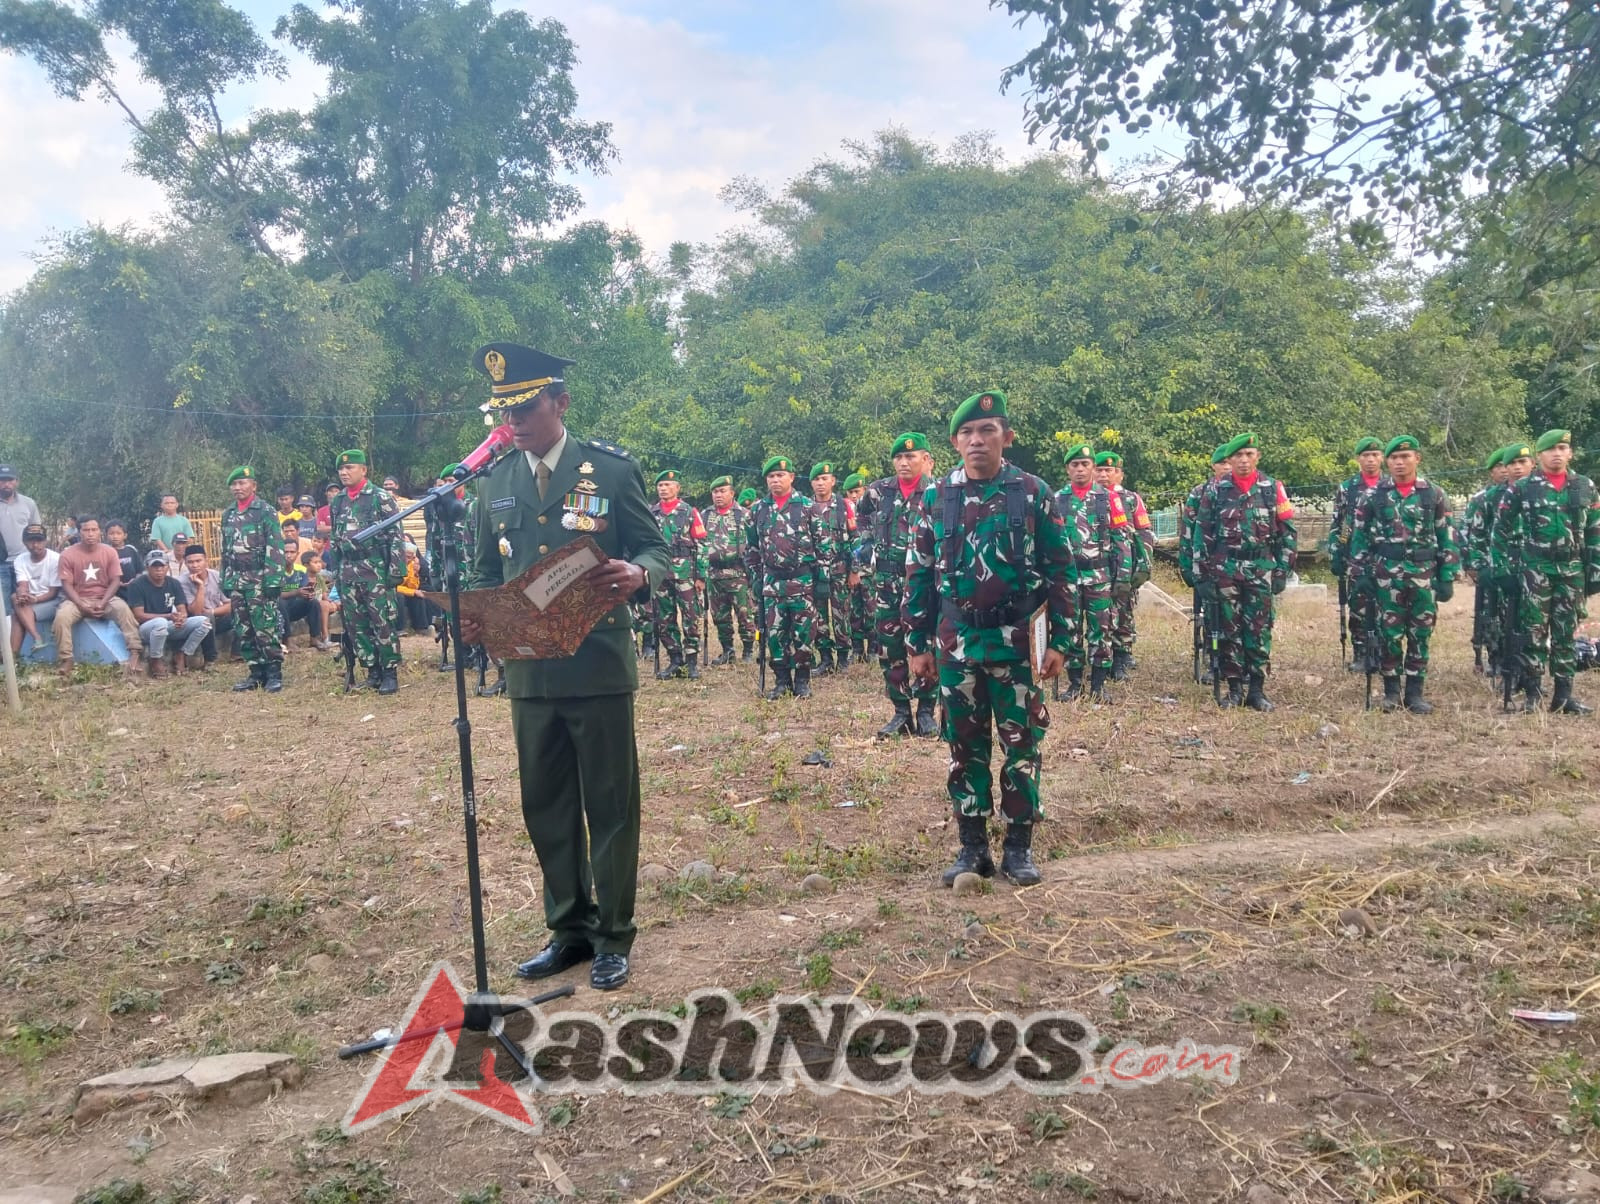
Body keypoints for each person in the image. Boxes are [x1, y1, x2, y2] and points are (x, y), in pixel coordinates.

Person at [459, 341, 670, 992]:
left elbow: (654, 549)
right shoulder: (494, 482)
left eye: (525, 407)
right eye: (505, 411)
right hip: (530, 677)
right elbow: (482, 572)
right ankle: (569, 929)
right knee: (545, 804)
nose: (514, 422)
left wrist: (642, 574)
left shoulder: (608, 471)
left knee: (610, 804)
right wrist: (473, 613)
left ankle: (613, 936)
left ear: (560, 401)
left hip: (599, 664)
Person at [904, 391, 1073, 888]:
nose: (977, 441)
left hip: (1018, 644)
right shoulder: (938, 496)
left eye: (988, 431)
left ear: (1007, 437)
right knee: (964, 747)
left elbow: (1061, 569)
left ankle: (1019, 848)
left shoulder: (1032, 492)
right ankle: (972, 846)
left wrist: (1059, 640)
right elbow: (918, 574)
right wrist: (916, 644)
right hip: (958, 644)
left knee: (1022, 746)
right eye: (967, 434)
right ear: (955, 442)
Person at [1490, 429, 1600, 714]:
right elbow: (1500, 529)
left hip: (1572, 569)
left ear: (1570, 453)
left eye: (1563, 448)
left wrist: (1595, 569)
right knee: (1533, 631)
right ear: (1539, 456)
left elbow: (1595, 530)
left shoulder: (1585, 486)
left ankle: (1564, 697)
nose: (1557, 453)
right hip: (1535, 568)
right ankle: (1533, 694)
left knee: (1565, 632)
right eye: (1551, 449)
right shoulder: (1523, 487)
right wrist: (1502, 569)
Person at [1348, 436, 1459, 713]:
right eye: (1395, 458)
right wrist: (1361, 573)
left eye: (1406, 457)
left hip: (1423, 573)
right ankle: (1391, 691)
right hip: (1387, 574)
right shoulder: (1374, 495)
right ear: (1388, 462)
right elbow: (1359, 536)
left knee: (1420, 633)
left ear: (1417, 459)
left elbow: (1447, 536)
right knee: (1390, 633)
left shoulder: (1433, 494)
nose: (1400, 462)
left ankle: (1415, 693)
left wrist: (1447, 575)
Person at [1194, 433, 1297, 710]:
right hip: (1224, 568)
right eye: (1238, 455)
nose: (1243, 460)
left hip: (1261, 569)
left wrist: (1282, 570)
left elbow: (1288, 532)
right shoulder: (1215, 491)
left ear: (1257, 457)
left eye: (1249, 454)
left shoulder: (1272, 489)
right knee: (1229, 630)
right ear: (1229, 459)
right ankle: (1235, 688)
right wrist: (1201, 574)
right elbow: (1202, 533)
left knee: (1259, 630)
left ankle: (1257, 689)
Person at [857, 434, 938, 737]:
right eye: (899, 458)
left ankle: (927, 711)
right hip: (887, 584)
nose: (904, 463)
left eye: (911, 457)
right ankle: (901, 712)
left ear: (925, 459)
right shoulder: (879, 491)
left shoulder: (936, 492)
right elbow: (861, 515)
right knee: (890, 648)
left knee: (927, 643)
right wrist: (866, 543)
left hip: (924, 584)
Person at [1053, 443, 1132, 703]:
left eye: (1085, 464)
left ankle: (1098, 684)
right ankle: (1075, 683)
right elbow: (1049, 542)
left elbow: (1122, 539)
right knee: (1071, 629)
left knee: (1102, 629)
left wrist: (1123, 577)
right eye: (1075, 465)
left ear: (1091, 467)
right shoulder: (1058, 500)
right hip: (1069, 578)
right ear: (1067, 469)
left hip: (1100, 577)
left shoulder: (1108, 498)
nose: (1080, 469)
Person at [745, 455, 825, 699]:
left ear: (791, 477)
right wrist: (756, 579)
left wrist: (823, 579)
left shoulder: (808, 506)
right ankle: (781, 681)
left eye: (780, 475)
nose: (775, 480)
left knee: (804, 634)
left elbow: (823, 544)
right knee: (775, 634)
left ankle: (802, 680)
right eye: (771, 476)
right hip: (772, 583)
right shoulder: (759, 509)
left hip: (801, 581)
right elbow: (752, 548)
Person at [328, 449, 405, 695]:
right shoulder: (338, 501)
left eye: (350, 468)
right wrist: (336, 574)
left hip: (375, 570)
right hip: (348, 571)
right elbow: (335, 538)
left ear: (363, 470)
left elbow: (396, 536)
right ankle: (371, 671)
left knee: (382, 621)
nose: (344, 472)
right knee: (356, 624)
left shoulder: (380, 497)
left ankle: (389, 672)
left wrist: (395, 571)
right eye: (341, 469)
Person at [220, 466, 288, 692]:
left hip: (260, 578)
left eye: (242, 483)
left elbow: (275, 546)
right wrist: (225, 580)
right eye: (234, 484)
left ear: (254, 486)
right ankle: (255, 672)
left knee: (264, 625)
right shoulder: (228, 514)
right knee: (243, 627)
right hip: (237, 579)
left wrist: (273, 580)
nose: (238, 488)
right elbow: (225, 551)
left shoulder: (265, 511)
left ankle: (273, 672)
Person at [52, 516, 143, 678]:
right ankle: (66, 658)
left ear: (100, 532)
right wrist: (81, 605)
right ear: (79, 532)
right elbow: (66, 585)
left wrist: (102, 602)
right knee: (61, 617)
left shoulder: (109, 552)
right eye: (86, 530)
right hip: (77, 599)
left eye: (94, 530)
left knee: (123, 610)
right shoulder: (67, 554)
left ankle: (135, 653)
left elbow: (115, 580)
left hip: (104, 597)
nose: (90, 534)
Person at [1462, 444, 1521, 676]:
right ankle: (1495, 657)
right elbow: (1470, 532)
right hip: (1492, 565)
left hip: (1521, 565)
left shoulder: (1526, 492)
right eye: (1500, 466)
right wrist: (1473, 565)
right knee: (1492, 614)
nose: (1505, 471)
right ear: (1492, 471)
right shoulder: (1483, 498)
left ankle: (1519, 664)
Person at [1093, 452, 1152, 679]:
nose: (1104, 475)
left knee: (1123, 611)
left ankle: (1121, 653)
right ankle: (1100, 656)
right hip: (1097, 565)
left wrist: (1142, 567)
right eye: (1099, 470)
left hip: (1124, 565)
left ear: (1120, 474)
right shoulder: (1088, 498)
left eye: (1110, 470)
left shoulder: (1131, 499)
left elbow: (1144, 534)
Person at [1328, 437, 1386, 671]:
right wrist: (1337, 553)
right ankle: (1361, 653)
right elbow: (1339, 524)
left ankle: (1383, 653)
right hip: (1356, 556)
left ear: (1382, 457)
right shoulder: (1348, 488)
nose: (1370, 460)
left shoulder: (1390, 484)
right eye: (1365, 456)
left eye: (1375, 455)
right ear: (1358, 459)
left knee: (1386, 607)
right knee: (1359, 605)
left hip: (1386, 556)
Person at [648, 469, 708, 680]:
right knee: (664, 619)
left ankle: (692, 662)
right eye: (660, 485)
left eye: (667, 485)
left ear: (677, 488)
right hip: (660, 574)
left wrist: (701, 576)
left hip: (686, 574)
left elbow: (702, 544)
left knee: (691, 617)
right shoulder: (651, 513)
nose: (663, 489)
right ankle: (676, 660)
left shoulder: (689, 512)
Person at [807, 460, 857, 674]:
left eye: (824, 479)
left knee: (841, 614)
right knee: (817, 617)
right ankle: (825, 658)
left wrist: (855, 571)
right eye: (816, 479)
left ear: (833, 481)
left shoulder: (844, 506)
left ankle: (844, 658)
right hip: (816, 573)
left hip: (840, 570)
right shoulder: (806, 507)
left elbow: (856, 540)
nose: (820, 483)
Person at [126, 548, 210, 677]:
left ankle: (183, 654)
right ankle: (155, 659)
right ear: (147, 567)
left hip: (168, 625)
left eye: (162, 566)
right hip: (146, 629)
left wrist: (180, 618)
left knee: (204, 622)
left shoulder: (173, 583)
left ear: (167, 567)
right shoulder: (137, 585)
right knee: (160, 623)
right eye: (154, 567)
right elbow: (139, 615)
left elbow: (182, 609)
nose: (159, 570)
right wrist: (169, 616)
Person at [703, 475, 756, 664]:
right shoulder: (706, 515)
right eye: (715, 492)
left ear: (732, 493)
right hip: (714, 574)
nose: (718, 495)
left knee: (744, 614)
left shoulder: (743, 514)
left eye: (722, 491)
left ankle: (749, 650)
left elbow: (753, 543)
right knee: (719, 616)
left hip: (738, 573)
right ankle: (728, 650)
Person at [177, 543, 233, 669]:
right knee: (205, 618)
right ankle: (210, 660)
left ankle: (237, 653)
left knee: (242, 611)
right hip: (196, 623)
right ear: (185, 563)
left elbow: (230, 604)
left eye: (198, 561)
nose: (195, 565)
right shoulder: (181, 582)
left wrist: (212, 611)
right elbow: (196, 611)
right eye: (190, 562)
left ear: (206, 560)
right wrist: (200, 586)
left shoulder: (216, 576)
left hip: (216, 617)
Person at [9, 523, 60, 659]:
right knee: (15, 597)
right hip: (30, 601)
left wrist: (35, 599)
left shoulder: (55, 558)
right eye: (31, 540)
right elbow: (23, 584)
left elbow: (53, 592)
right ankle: (34, 639)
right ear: (24, 542)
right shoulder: (20, 559)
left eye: (39, 540)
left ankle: (12, 658)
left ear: (45, 541)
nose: (35, 544)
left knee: (17, 616)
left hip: (52, 601)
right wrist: (23, 593)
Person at [0, 463, 42, 606]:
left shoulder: (28, 503)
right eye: (3, 480)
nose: (6, 484)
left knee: (25, 602)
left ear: (17, 482)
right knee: (4, 606)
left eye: (10, 480)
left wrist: (36, 557)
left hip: (24, 562)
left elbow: (36, 531)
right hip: (1, 564)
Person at [842, 472, 872, 664]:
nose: (854, 496)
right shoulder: (844, 513)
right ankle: (857, 648)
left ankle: (874, 649)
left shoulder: (874, 512)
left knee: (872, 611)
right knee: (854, 611)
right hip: (852, 571)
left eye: (857, 491)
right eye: (850, 492)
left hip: (870, 571)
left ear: (865, 490)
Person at [105, 521, 142, 601]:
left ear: (125, 535)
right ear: (107, 536)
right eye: (111, 534)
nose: (115, 536)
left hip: (133, 588)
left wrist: (135, 580)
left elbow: (139, 570)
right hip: (114, 591)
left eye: (118, 533)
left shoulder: (131, 550)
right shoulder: (106, 552)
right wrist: (116, 583)